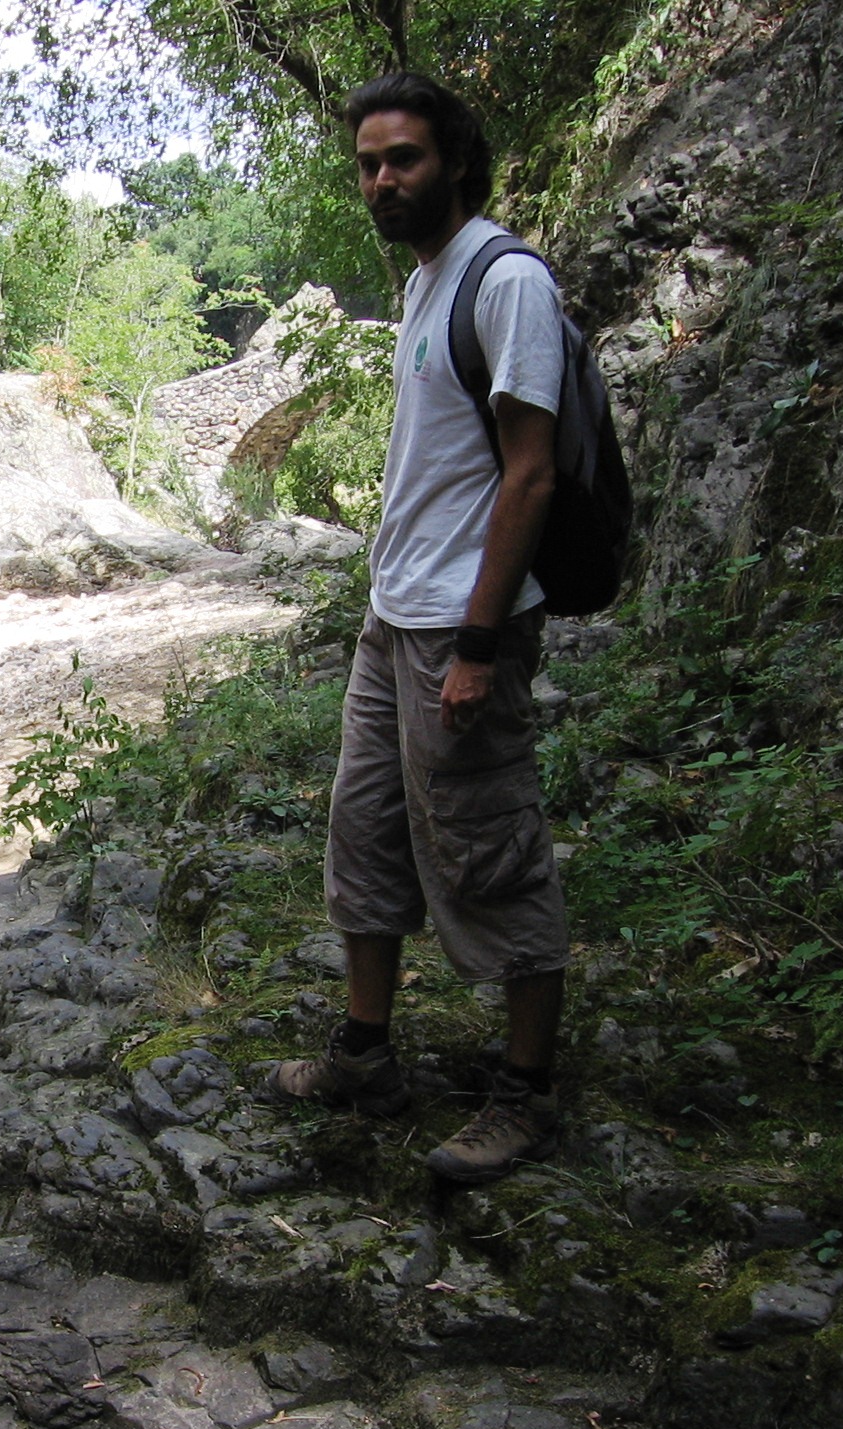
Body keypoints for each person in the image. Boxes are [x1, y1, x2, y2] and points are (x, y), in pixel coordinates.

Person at [268, 73, 571, 1184]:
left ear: (453, 157)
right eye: (364, 163)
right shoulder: (422, 284)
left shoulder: (505, 282)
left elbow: (529, 476)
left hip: (460, 629)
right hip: (393, 623)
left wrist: (481, 647)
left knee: (488, 853)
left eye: (399, 158)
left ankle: (527, 1094)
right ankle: (364, 1054)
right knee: (363, 839)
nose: (379, 179)